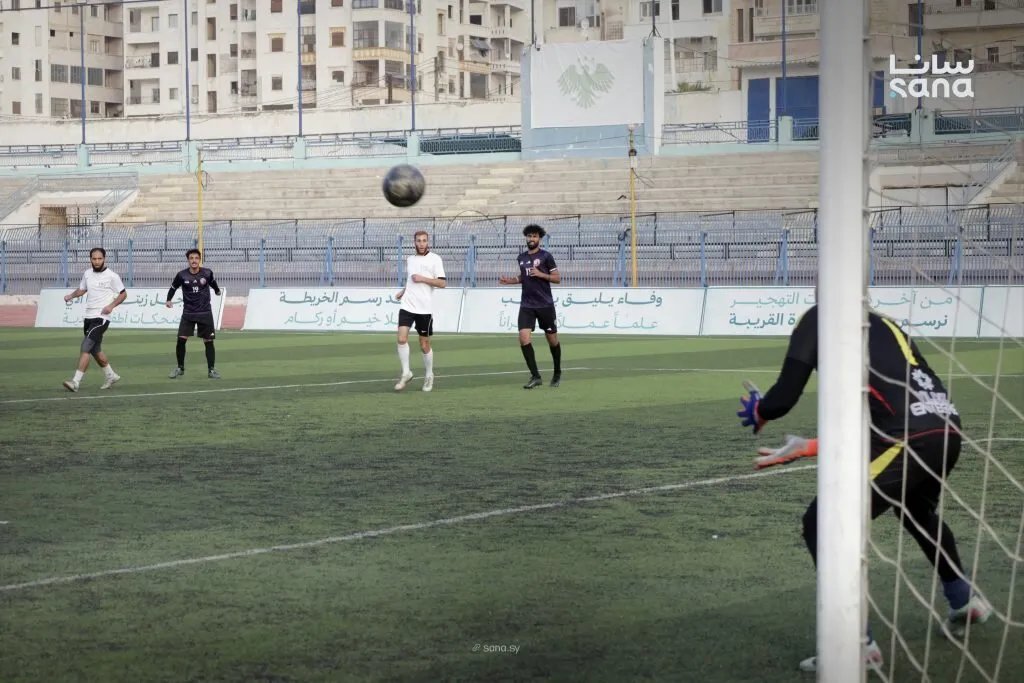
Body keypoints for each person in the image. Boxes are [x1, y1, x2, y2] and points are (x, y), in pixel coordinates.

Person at [737, 304, 992, 672]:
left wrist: (763, 410)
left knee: (821, 522)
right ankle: (963, 598)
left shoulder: (821, 316)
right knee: (916, 510)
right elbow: (886, 410)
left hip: (906, 437)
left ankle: (855, 643)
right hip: (945, 428)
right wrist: (809, 446)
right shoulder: (887, 325)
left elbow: (783, 398)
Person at [499, 224, 563, 389]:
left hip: (545, 305)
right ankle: (535, 376)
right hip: (527, 305)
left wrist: (541, 274)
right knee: (523, 337)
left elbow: (557, 278)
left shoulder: (546, 256)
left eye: (534, 236)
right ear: (526, 238)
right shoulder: (521, 258)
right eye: (529, 236)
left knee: (552, 340)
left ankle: (557, 372)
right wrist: (510, 281)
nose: (531, 239)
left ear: (539, 239)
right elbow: (523, 277)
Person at [62, 247, 127, 392]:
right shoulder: (87, 274)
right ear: (90, 259)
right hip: (89, 317)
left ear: (104, 259)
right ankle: (111, 375)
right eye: (94, 259)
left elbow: (123, 294)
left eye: (100, 259)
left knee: (85, 346)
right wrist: (71, 296)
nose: (97, 261)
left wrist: (111, 306)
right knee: (95, 349)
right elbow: (82, 289)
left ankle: (75, 382)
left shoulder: (112, 276)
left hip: (101, 318)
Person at [394, 230, 446, 392]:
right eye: (419, 241)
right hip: (407, 305)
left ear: (428, 242)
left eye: (424, 241)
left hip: (424, 308)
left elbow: (442, 283)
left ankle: (429, 375)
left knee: (424, 344)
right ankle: (406, 372)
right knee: (401, 339)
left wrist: (423, 279)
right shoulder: (410, 259)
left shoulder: (435, 259)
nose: (421, 244)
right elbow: (412, 279)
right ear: (414, 242)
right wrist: (404, 291)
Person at [166, 248, 221, 379]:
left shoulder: (207, 273)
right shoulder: (181, 275)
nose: (194, 261)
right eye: (191, 258)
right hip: (189, 313)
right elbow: (173, 287)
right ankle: (180, 368)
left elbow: (213, 283)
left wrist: (217, 291)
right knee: (181, 340)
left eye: (196, 258)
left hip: (205, 312)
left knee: (208, 341)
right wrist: (168, 299)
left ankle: (211, 370)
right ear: (188, 260)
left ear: (199, 260)